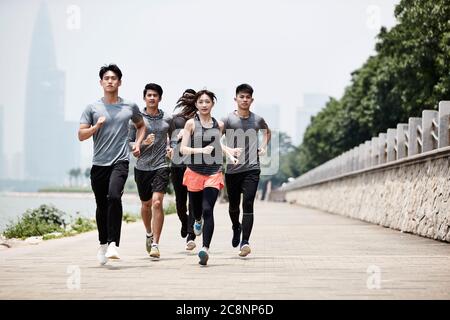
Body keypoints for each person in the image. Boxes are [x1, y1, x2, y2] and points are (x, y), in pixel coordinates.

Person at [78, 64, 145, 265]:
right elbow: (81, 135)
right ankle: (102, 244)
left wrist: (138, 143)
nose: (110, 81)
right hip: (99, 163)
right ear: (101, 82)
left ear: (120, 82)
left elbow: (141, 125)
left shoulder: (129, 106)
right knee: (101, 205)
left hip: (120, 160)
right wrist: (95, 127)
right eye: (106, 78)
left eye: (113, 78)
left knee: (114, 197)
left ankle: (113, 243)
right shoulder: (92, 108)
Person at [180, 89, 237, 266]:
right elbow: (183, 149)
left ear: (212, 104)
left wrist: (229, 153)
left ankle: (205, 248)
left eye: (207, 102)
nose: (204, 105)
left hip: (213, 171)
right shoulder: (190, 124)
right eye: (201, 102)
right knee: (197, 211)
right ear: (196, 104)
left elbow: (217, 144)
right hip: (195, 172)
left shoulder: (218, 125)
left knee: (207, 209)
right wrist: (200, 151)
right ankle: (197, 221)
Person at [222, 84, 271, 257]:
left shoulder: (257, 120)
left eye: (247, 97)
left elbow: (267, 132)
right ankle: (236, 226)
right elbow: (214, 138)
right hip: (233, 170)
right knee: (234, 206)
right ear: (235, 99)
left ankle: (245, 241)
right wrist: (227, 150)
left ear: (252, 100)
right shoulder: (227, 120)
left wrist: (263, 147)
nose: (244, 100)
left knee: (248, 203)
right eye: (241, 97)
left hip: (252, 168)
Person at [129, 83, 172, 259]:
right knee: (146, 205)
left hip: (161, 165)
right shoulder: (136, 120)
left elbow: (176, 137)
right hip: (142, 167)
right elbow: (128, 142)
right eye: (149, 95)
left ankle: (156, 244)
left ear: (160, 98)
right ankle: (148, 233)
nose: (152, 98)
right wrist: (141, 144)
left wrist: (173, 148)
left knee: (156, 202)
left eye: (155, 95)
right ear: (144, 98)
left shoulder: (167, 119)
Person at [169, 89, 198, 251]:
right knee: (180, 202)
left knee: (193, 201)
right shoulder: (175, 120)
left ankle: (190, 234)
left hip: (194, 164)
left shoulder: (199, 119)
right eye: (186, 97)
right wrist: (171, 148)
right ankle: (185, 222)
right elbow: (171, 140)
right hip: (177, 164)